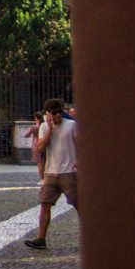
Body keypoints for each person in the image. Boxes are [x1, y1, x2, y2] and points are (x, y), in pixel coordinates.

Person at [23, 98, 79, 250]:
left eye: (60, 111)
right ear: (48, 114)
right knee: (45, 204)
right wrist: (50, 129)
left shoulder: (72, 125)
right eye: (55, 112)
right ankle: (41, 238)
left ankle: (91, 236)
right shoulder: (43, 127)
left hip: (69, 172)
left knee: (79, 204)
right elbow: (41, 147)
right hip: (51, 173)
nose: (59, 115)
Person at [22, 111, 45, 181]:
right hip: (43, 143)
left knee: (39, 162)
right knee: (44, 160)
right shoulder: (43, 125)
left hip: (36, 143)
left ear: (35, 118)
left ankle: (42, 178)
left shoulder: (34, 127)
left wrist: (25, 135)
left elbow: (28, 134)